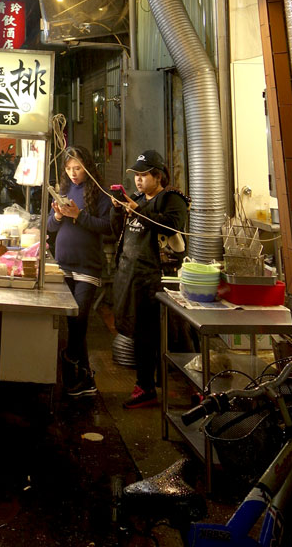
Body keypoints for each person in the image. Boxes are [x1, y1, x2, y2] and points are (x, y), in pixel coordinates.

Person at [110, 149, 189, 409]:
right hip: (131, 277)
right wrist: (117, 210)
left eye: (144, 175)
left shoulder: (171, 198)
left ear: (158, 175)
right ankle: (145, 385)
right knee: (139, 333)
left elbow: (172, 225)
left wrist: (138, 210)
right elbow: (117, 232)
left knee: (165, 335)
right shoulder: (136, 198)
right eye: (136, 175)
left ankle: (189, 388)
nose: (138, 180)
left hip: (157, 279)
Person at [47, 146, 113, 397]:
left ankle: (71, 366)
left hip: (88, 265)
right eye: (69, 169)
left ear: (88, 167)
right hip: (63, 263)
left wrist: (79, 215)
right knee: (72, 323)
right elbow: (52, 228)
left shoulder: (100, 193)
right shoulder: (64, 189)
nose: (74, 174)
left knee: (79, 319)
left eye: (78, 168)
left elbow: (108, 227)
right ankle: (84, 379)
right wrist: (58, 215)